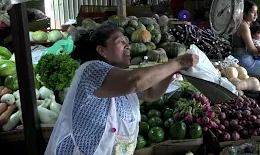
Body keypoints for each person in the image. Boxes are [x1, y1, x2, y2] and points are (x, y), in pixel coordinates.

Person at [45, 25, 199, 155]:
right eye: (120, 42)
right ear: (102, 50)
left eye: (127, 42)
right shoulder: (91, 70)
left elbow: (151, 94)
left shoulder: (120, 75)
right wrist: (178, 63)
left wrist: (169, 73)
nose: (128, 46)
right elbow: (134, 81)